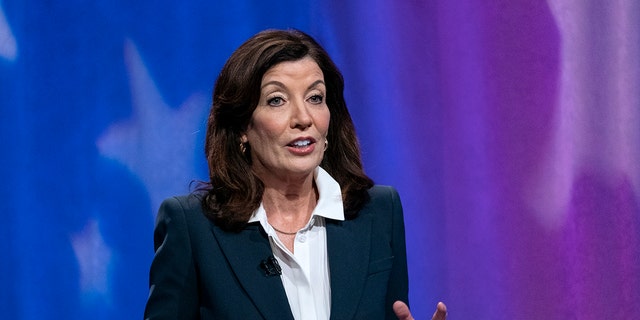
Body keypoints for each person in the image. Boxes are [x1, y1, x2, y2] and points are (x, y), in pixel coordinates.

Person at [144, 29, 446, 320]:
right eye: (277, 100)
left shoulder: (379, 212)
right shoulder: (192, 227)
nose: (303, 118)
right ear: (241, 129)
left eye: (315, 98)